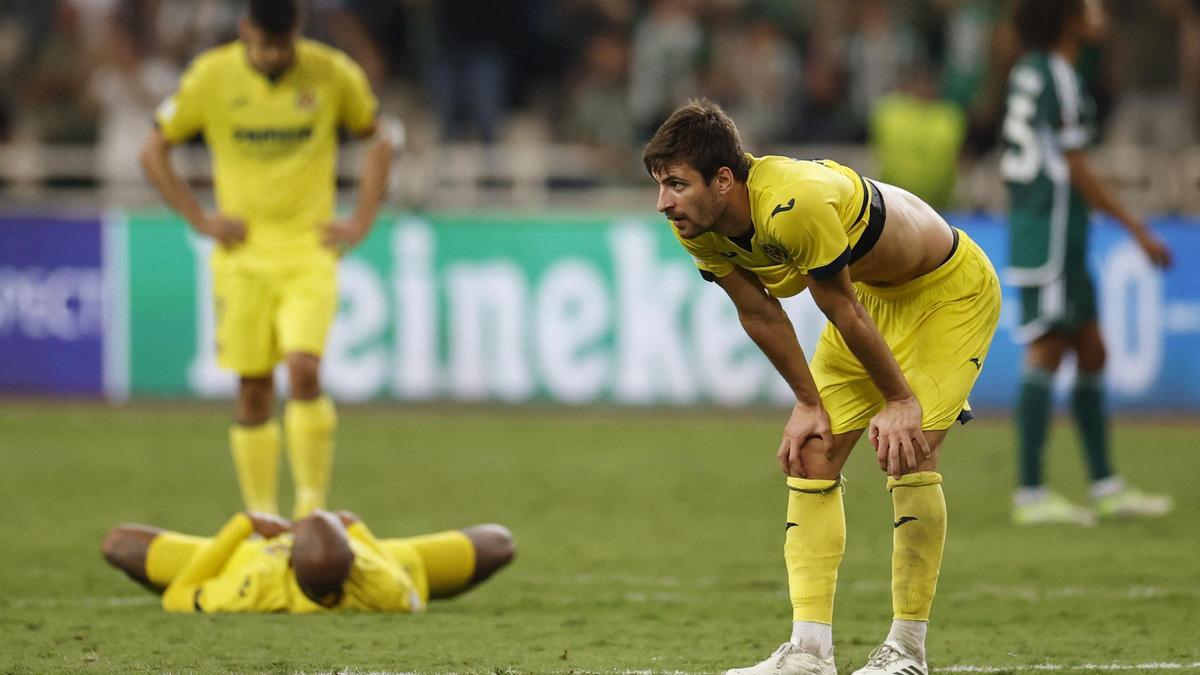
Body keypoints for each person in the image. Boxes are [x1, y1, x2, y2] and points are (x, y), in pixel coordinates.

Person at [643, 100, 1001, 675]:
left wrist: (901, 401)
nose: (664, 202)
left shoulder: (794, 203)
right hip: (872, 300)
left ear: (724, 179)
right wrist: (808, 403)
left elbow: (839, 308)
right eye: (660, 186)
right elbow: (759, 313)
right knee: (811, 452)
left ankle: (907, 650)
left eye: (677, 185)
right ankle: (809, 652)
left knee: (907, 449)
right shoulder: (697, 222)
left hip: (945, 293)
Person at [140, 0, 402, 519]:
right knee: (253, 387)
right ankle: (262, 516)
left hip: (308, 251)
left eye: (283, 46)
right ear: (244, 32)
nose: (274, 56)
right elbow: (153, 150)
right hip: (242, 257)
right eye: (264, 46)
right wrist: (200, 219)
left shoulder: (331, 73)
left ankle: (310, 510)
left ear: (297, 34)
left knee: (304, 370)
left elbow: (380, 141)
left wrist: (360, 221)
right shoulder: (211, 77)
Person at [1001, 0, 1173, 526]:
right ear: (1068, 19)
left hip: (1054, 228)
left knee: (1092, 348)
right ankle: (1030, 493)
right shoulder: (1058, 72)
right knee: (1049, 346)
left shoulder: (1033, 69)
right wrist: (1136, 228)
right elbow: (1075, 168)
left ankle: (1105, 484)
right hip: (1050, 229)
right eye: (1089, 7)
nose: (1099, 12)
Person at [101, 509, 515, 613]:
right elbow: (411, 598)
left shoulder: (255, 584)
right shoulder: (378, 581)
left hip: (238, 556)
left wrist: (242, 524)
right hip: (391, 556)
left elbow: (178, 595)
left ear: (289, 557)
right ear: (354, 560)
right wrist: (358, 531)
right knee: (498, 542)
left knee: (119, 542)